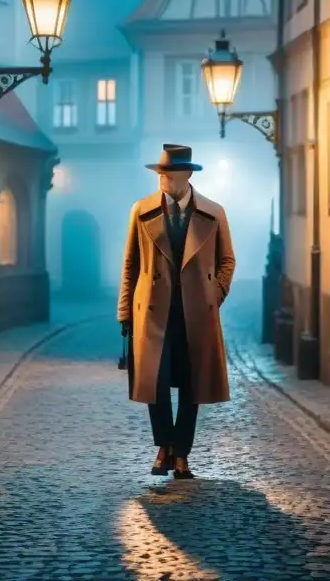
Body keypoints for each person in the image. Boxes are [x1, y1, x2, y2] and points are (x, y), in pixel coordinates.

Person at [117, 143, 236, 479]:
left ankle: (181, 454)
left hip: (196, 313)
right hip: (153, 312)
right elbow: (130, 264)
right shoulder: (141, 210)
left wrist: (215, 293)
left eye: (168, 174)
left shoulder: (214, 212)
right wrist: (125, 311)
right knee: (155, 382)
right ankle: (163, 446)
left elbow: (227, 259)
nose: (162, 180)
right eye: (160, 174)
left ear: (186, 176)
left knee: (191, 384)